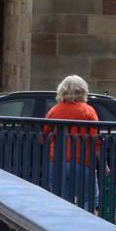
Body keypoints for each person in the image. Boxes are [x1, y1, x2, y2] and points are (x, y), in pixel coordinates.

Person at [44, 74, 104, 209]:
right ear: (83, 90)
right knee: (88, 198)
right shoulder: (88, 110)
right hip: (82, 161)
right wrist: (103, 163)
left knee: (60, 200)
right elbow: (95, 139)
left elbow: (44, 137)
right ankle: (85, 221)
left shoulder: (54, 110)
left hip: (56, 160)